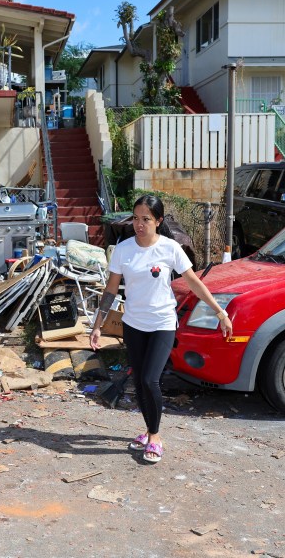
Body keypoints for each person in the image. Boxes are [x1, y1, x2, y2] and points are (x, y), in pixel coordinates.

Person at [89, 195, 233, 464]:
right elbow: (110, 290)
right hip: (134, 324)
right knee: (140, 382)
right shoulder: (123, 249)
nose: (139, 224)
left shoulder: (170, 248)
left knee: (149, 380)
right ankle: (148, 430)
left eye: (146, 219)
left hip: (163, 324)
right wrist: (98, 325)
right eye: (135, 218)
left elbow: (193, 282)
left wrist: (220, 311)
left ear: (158, 221)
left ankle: (155, 437)